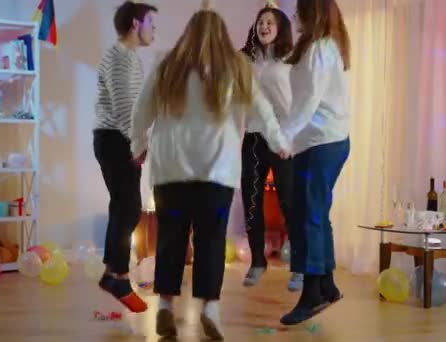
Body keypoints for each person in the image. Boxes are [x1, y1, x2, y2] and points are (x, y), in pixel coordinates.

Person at [130, 1, 290, 339]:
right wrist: (278, 143)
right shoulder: (236, 67)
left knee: (171, 240)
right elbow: (262, 109)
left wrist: (137, 145)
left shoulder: (167, 64)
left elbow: (142, 109)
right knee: (211, 241)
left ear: (187, 34)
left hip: (170, 170)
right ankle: (210, 309)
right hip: (216, 172)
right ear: (222, 36)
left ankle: (164, 307)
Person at [278, 0, 351, 325]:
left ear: (313, 13)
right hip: (314, 141)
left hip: (325, 141)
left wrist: (285, 137)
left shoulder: (322, 48)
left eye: (299, 12)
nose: (295, 18)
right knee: (314, 212)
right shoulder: (313, 46)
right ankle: (327, 285)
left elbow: (309, 101)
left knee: (310, 215)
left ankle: (311, 294)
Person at [92, 0, 157, 313]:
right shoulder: (120, 58)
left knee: (124, 206)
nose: (154, 30)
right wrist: (138, 144)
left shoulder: (130, 57)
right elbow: (123, 111)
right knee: (129, 207)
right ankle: (117, 275)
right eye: (151, 24)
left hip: (119, 139)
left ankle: (112, 273)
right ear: (135, 24)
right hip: (116, 140)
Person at [239, 0, 303, 291]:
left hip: (283, 138)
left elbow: (294, 104)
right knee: (251, 202)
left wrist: (287, 138)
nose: (264, 26)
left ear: (281, 29)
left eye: (270, 23)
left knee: (289, 202)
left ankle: (300, 268)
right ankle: (257, 262)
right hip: (253, 137)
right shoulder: (247, 59)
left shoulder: (290, 59)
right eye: (261, 22)